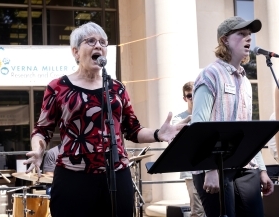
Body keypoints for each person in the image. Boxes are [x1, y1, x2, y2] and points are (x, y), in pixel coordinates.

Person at [23, 22, 190, 217]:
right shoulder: (58, 87)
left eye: (103, 42)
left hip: (117, 176)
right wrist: (38, 151)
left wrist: (158, 134)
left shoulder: (116, 88)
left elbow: (133, 130)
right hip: (73, 179)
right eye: (91, 41)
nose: (98, 46)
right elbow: (42, 130)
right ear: (76, 52)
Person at [191, 16, 274, 217]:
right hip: (215, 168)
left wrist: (261, 169)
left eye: (249, 35)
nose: (248, 39)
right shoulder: (209, 75)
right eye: (241, 34)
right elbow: (199, 126)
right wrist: (210, 169)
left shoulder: (245, 80)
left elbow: (248, 130)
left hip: (246, 167)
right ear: (224, 40)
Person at [172, 81, 205, 217]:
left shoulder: (206, 112)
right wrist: (189, 119)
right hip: (191, 169)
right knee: (197, 210)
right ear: (185, 98)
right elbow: (172, 131)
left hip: (208, 166)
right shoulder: (179, 117)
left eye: (195, 94)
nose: (193, 98)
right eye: (189, 95)